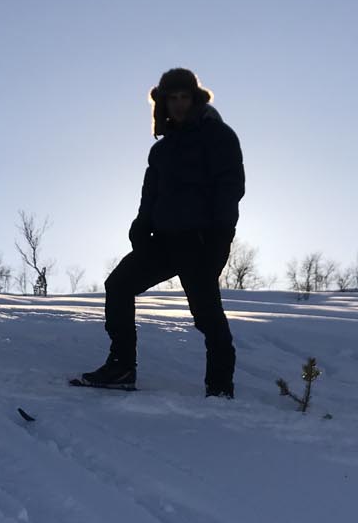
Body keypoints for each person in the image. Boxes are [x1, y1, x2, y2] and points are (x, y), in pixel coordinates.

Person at [78, 68, 245, 397]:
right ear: (163, 104)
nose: (179, 104)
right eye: (173, 98)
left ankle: (220, 388)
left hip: (200, 240)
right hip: (165, 240)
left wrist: (220, 237)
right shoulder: (162, 150)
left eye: (185, 97)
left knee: (207, 314)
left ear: (195, 99)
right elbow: (151, 194)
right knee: (119, 285)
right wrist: (142, 225)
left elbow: (230, 188)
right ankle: (122, 367)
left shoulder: (217, 136)